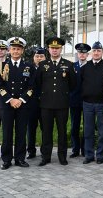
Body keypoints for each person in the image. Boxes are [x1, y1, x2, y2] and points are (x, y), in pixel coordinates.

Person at [36, 37, 77, 166]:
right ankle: (46, 157)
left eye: (57, 48)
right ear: (48, 49)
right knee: (46, 132)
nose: (54, 50)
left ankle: (62, 156)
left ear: (61, 49)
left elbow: (73, 84)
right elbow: (37, 84)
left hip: (62, 104)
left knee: (62, 132)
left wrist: (64, 95)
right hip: (46, 105)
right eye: (52, 48)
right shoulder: (42, 65)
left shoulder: (68, 65)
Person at [0, 37, 35, 170]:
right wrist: (11, 99)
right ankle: (6, 159)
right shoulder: (2, 66)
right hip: (7, 105)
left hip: (23, 105)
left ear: (22, 51)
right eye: (13, 49)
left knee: (21, 132)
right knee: (6, 132)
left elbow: (31, 87)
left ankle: (19, 158)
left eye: (18, 49)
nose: (15, 51)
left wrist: (21, 100)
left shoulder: (28, 67)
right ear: (9, 50)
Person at [81, 42, 103, 164]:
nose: (96, 53)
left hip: (101, 104)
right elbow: (80, 85)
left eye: (99, 50)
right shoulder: (85, 67)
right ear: (91, 53)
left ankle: (100, 156)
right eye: (94, 51)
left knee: (102, 131)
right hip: (87, 103)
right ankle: (88, 155)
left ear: (102, 52)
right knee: (88, 131)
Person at [69, 43, 90, 158]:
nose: (82, 54)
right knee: (74, 127)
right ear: (77, 54)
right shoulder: (72, 66)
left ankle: (85, 150)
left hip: (87, 101)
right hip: (74, 101)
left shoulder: (90, 66)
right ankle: (75, 149)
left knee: (87, 126)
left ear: (87, 54)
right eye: (80, 52)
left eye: (84, 53)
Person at [26, 47, 46, 159]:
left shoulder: (48, 67)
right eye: (37, 56)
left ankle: (44, 151)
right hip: (31, 103)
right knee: (31, 128)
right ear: (33, 57)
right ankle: (31, 151)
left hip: (45, 103)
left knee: (45, 128)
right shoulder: (27, 68)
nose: (39, 58)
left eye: (41, 56)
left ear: (45, 57)